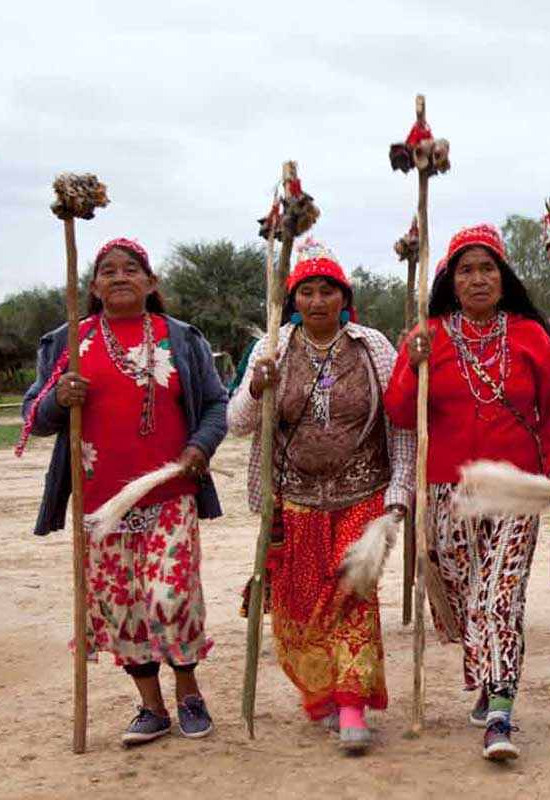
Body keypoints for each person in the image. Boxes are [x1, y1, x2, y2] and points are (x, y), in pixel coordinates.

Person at [18, 237, 228, 746]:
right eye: (107, 270)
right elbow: (33, 414)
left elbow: (216, 405)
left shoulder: (181, 338)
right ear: (92, 287)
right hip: (101, 505)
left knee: (169, 596)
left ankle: (189, 694)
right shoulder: (69, 342)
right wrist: (56, 401)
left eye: (130, 269)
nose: (118, 276)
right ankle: (151, 708)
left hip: (168, 492)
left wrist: (199, 447)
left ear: (150, 283)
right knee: (122, 606)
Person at [385, 223, 550, 761]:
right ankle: (489, 680)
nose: (478, 278)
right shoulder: (427, 335)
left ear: (503, 275)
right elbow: (401, 413)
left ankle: (500, 710)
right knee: (469, 599)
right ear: (450, 278)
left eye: (487, 267)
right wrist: (413, 366)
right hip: (449, 489)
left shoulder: (531, 336)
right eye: (466, 269)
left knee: (500, 598)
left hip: (516, 488)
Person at [227, 239, 414, 753]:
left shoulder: (371, 346)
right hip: (294, 501)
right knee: (302, 606)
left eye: (326, 290)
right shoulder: (272, 349)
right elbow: (238, 424)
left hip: (362, 493)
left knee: (352, 593)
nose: (316, 301)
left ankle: (353, 705)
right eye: (306, 291)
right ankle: (326, 694)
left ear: (343, 297)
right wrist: (256, 387)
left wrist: (400, 491)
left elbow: (400, 420)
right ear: (293, 300)